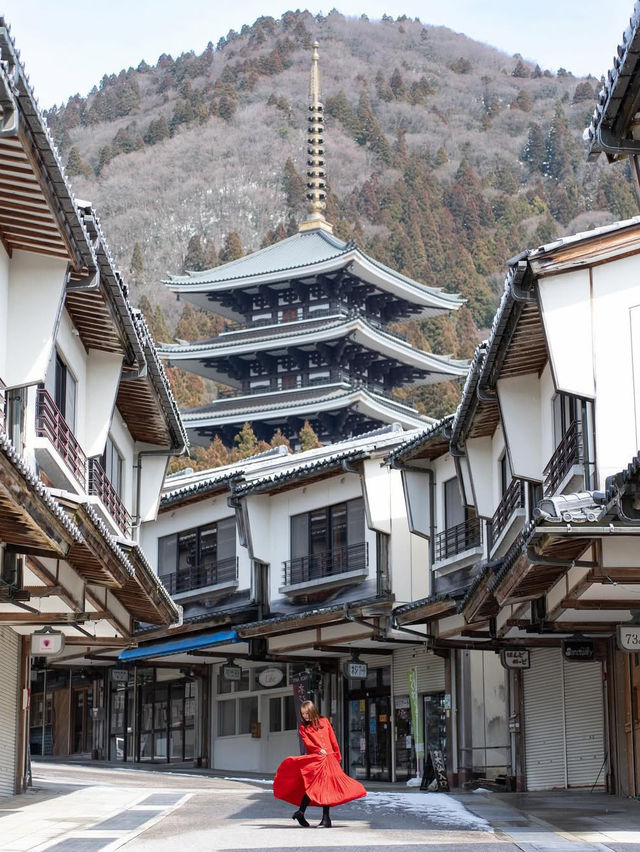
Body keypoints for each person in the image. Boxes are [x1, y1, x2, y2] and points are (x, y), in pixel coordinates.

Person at [273, 699, 366, 828]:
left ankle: (304, 813)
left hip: (329, 758)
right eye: (302, 714)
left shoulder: (324, 721)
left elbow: (332, 738)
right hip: (316, 759)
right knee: (318, 787)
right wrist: (318, 750)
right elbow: (307, 743)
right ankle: (324, 819)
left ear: (312, 711)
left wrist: (337, 755)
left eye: (306, 713)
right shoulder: (303, 727)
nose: (305, 716)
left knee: (322, 787)